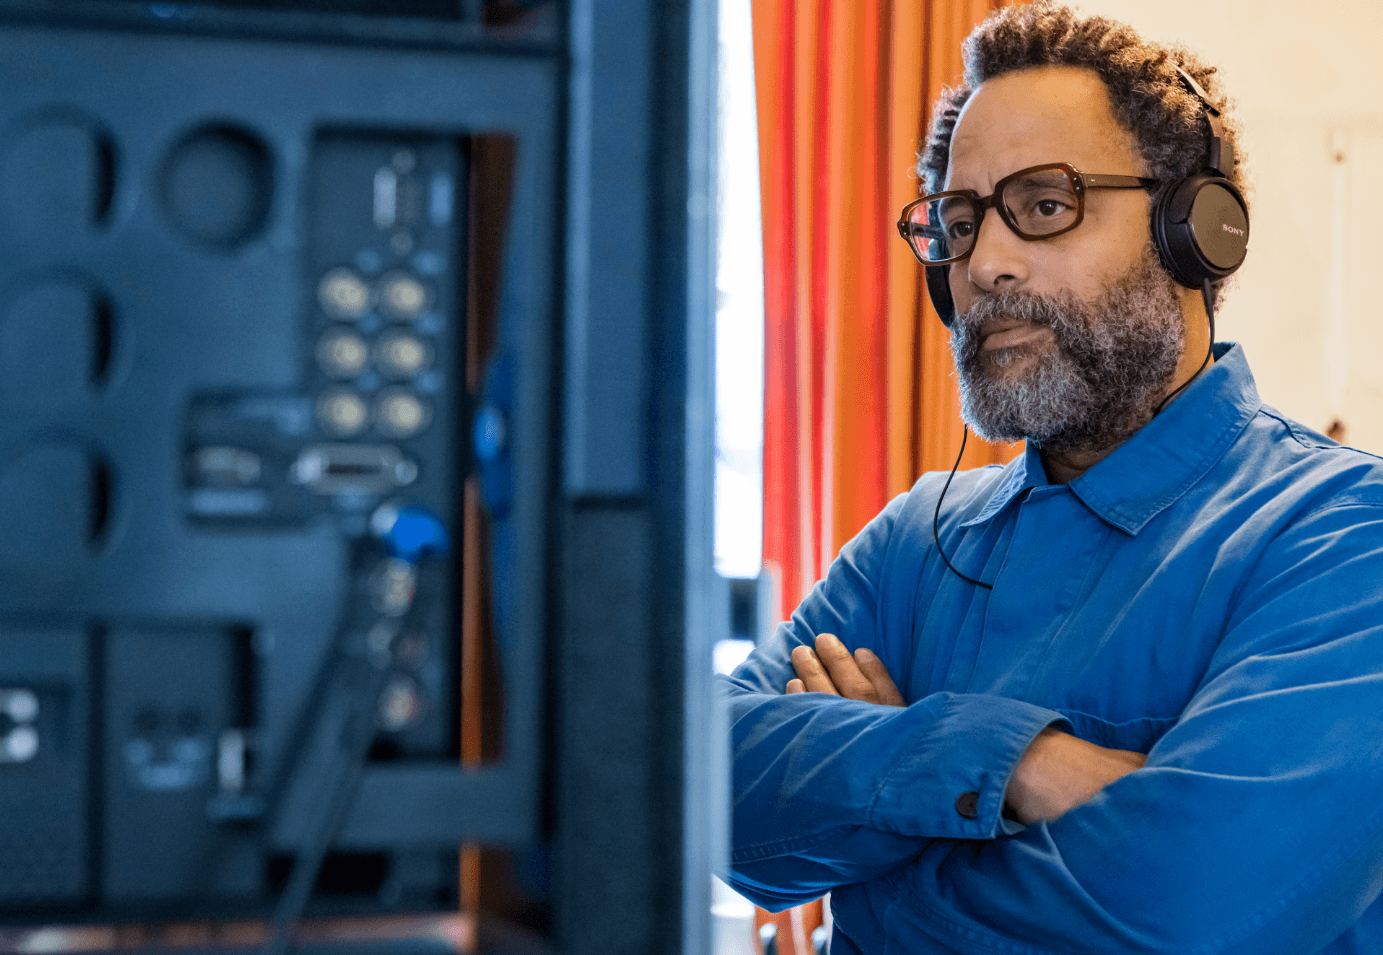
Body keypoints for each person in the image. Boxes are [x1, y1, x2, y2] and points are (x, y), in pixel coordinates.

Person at [718, 3, 1383, 953]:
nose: (982, 264)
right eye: (956, 224)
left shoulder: (1344, 536)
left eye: (1043, 206)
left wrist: (872, 888)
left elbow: (1190, 909)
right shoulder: (915, 541)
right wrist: (1015, 760)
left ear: (1193, 231)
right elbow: (708, 789)